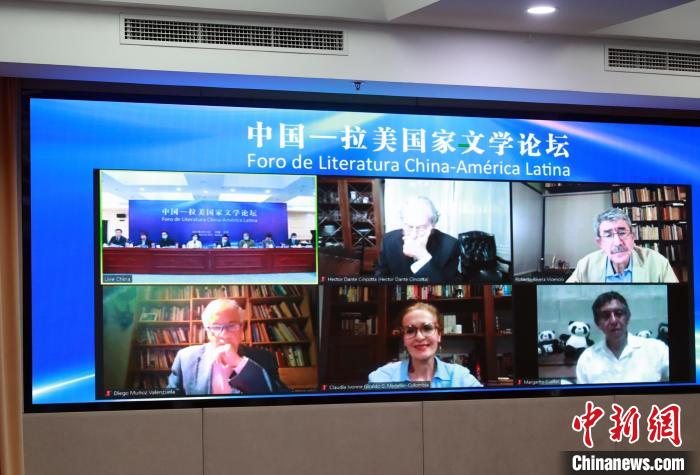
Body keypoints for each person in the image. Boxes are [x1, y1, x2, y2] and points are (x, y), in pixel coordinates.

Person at [167, 299, 284, 395]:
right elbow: (170, 399)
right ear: (207, 330)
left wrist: (240, 364)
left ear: (241, 328)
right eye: (216, 327)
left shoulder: (264, 358)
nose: (224, 335)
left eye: (232, 326)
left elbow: (281, 399)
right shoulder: (185, 358)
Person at [368, 303, 482, 388]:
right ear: (404, 339)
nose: (419, 337)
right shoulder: (383, 377)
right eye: (410, 330)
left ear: (439, 335)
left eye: (427, 328)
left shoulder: (460, 376)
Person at [576, 291, 669, 384]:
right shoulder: (587, 359)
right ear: (597, 323)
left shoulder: (657, 349)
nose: (613, 321)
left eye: (619, 313)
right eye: (606, 316)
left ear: (628, 317)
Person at [567, 208, 678, 283]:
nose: (618, 242)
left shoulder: (658, 263)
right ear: (600, 243)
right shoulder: (585, 266)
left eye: (622, 233)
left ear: (632, 236)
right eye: (608, 235)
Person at [375, 196, 460, 282]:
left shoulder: (450, 246)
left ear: (433, 224)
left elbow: (449, 287)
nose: (413, 235)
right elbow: (380, 279)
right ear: (402, 223)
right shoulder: (388, 241)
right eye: (409, 227)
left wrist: (423, 257)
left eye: (421, 228)